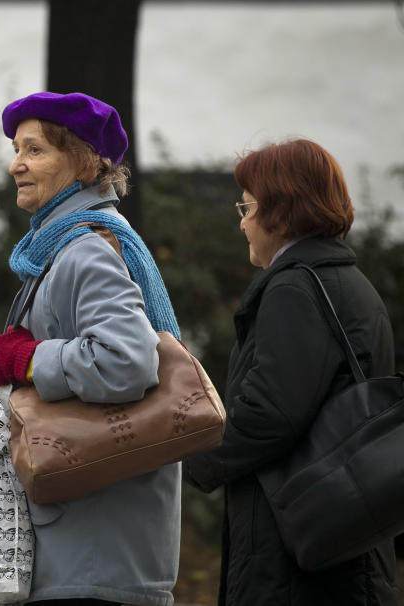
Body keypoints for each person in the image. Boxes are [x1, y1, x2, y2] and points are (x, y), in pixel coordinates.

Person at [0, 91, 181, 606]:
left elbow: (127, 361)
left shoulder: (85, 249)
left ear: (83, 161)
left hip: (95, 554)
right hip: (94, 546)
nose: (15, 165)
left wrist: (27, 360)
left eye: (34, 150)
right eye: (16, 149)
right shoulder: (66, 245)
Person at [183, 139, 399, 605]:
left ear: (280, 210)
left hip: (294, 558)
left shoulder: (294, 287)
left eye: (247, 206)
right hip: (349, 542)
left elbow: (271, 411)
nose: (242, 221)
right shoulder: (350, 284)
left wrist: (192, 459)